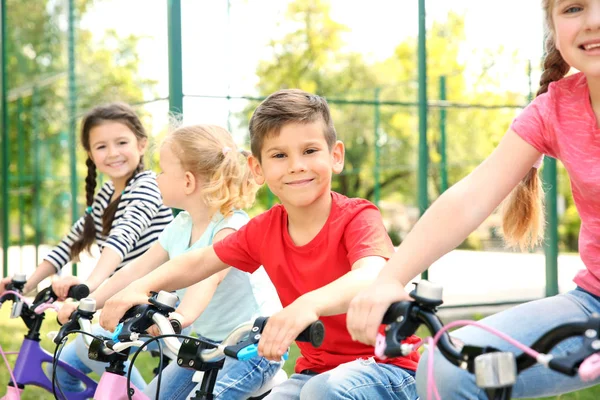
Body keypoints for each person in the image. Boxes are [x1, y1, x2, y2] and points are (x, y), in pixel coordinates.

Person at [346, 1, 600, 398]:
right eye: (573, 8)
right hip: (593, 303)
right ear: (551, 27)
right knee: (451, 365)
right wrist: (389, 279)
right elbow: (471, 198)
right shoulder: (555, 108)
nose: (593, 21)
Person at [100, 89, 420, 400]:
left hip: (388, 368)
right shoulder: (266, 228)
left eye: (309, 151)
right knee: (313, 389)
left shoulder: (358, 217)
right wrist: (139, 287)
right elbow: (200, 262)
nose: (296, 165)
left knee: (322, 392)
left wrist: (306, 305)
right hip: (313, 373)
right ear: (258, 168)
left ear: (335, 156)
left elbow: (371, 276)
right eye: (279, 155)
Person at [59, 124, 282, 399]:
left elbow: (209, 277)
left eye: (162, 171)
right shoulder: (181, 224)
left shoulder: (230, 227)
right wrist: (90, 302)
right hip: (207, 343)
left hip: (253, 349)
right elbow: (137, 270)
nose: (156, 177)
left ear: (188, 181)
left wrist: (178, 318)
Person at [5, 102, 174, 392]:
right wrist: (24, 284)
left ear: (142, 144)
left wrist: (90, 292)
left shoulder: (148, 185)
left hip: (159, 302)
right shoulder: (108, 192)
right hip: (129, 298)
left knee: (99, 357)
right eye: (101, 146)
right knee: (63, 369)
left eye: (121, 142)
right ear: (91, 154)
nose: (113, 153)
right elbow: (69, 243)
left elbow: (123, 238)